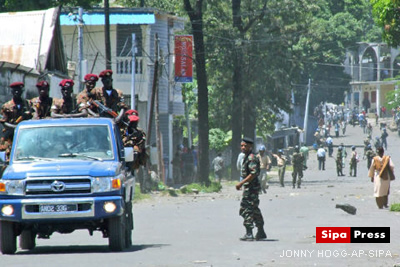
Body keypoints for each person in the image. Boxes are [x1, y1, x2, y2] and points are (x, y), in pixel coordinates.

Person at [235, 137, 266, 241]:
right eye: (242, 145)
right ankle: (260, 231)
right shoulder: (247, 157)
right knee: (254, 209)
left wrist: (241, 183)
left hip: (251, 188)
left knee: (245, 209)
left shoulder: (251, 158)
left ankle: (249, 233)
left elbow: (253, 173)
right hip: (251, 187)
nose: (243, 147)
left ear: (250, 146)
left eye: (245, 146)